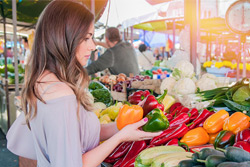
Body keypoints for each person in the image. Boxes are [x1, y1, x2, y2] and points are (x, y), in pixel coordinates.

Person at [6, 1, 161, 167]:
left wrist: (123, 126)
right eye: (87, 38)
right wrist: (121, 137)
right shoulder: (60, 95)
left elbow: (82, 135)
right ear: (64, 38)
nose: (93, 46)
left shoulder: (44, 81)